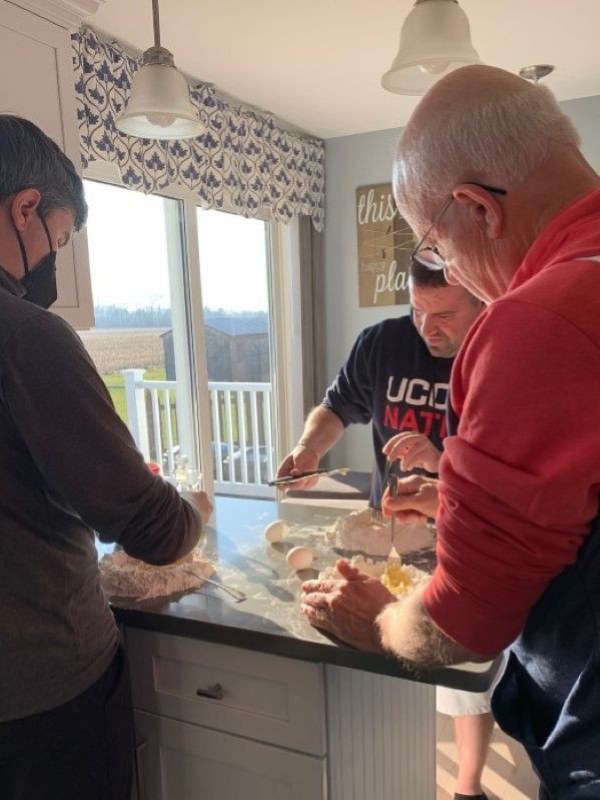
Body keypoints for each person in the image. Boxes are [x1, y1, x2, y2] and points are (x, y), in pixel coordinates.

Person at [300, 65, 600, 797]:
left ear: (478, 209)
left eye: (435, 243)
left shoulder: (538, 319)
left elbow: (468, 625)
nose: (448, 268)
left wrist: (377, 623)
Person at [0, 115, 212, 800]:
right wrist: (195, 512)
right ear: (24, 207)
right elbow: (155, 531)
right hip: (42, 694)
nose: (51, 264)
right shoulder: (30, 338)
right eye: (57, 239)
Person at [279, 262, 499, 800]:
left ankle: (466, 786)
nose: (428, 328)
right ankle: (384, 767)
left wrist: (440, 457)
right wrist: (311, 447)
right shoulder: (380, 344)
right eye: (418, 311)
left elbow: (503, 470)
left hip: (465, 535)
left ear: (481, 303)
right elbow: (335, 408)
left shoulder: (499, 352)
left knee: (462, 674)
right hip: (391, 532)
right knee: (380, 648)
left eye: (444, 314)